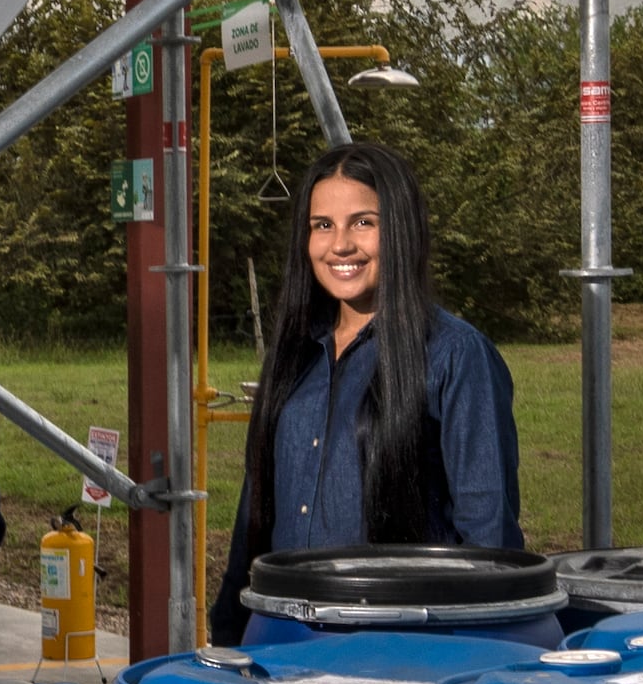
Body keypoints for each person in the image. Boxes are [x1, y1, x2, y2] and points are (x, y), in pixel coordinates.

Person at [213, 139, 523, 615]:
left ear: (401, 230)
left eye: (363, 223)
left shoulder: (456, 356)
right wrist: (231, 629)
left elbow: (489, 539)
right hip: (280, 639)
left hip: (398, 645)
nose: (340, 244)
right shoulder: (293, 354)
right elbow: (254, 514)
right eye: (322, 225)